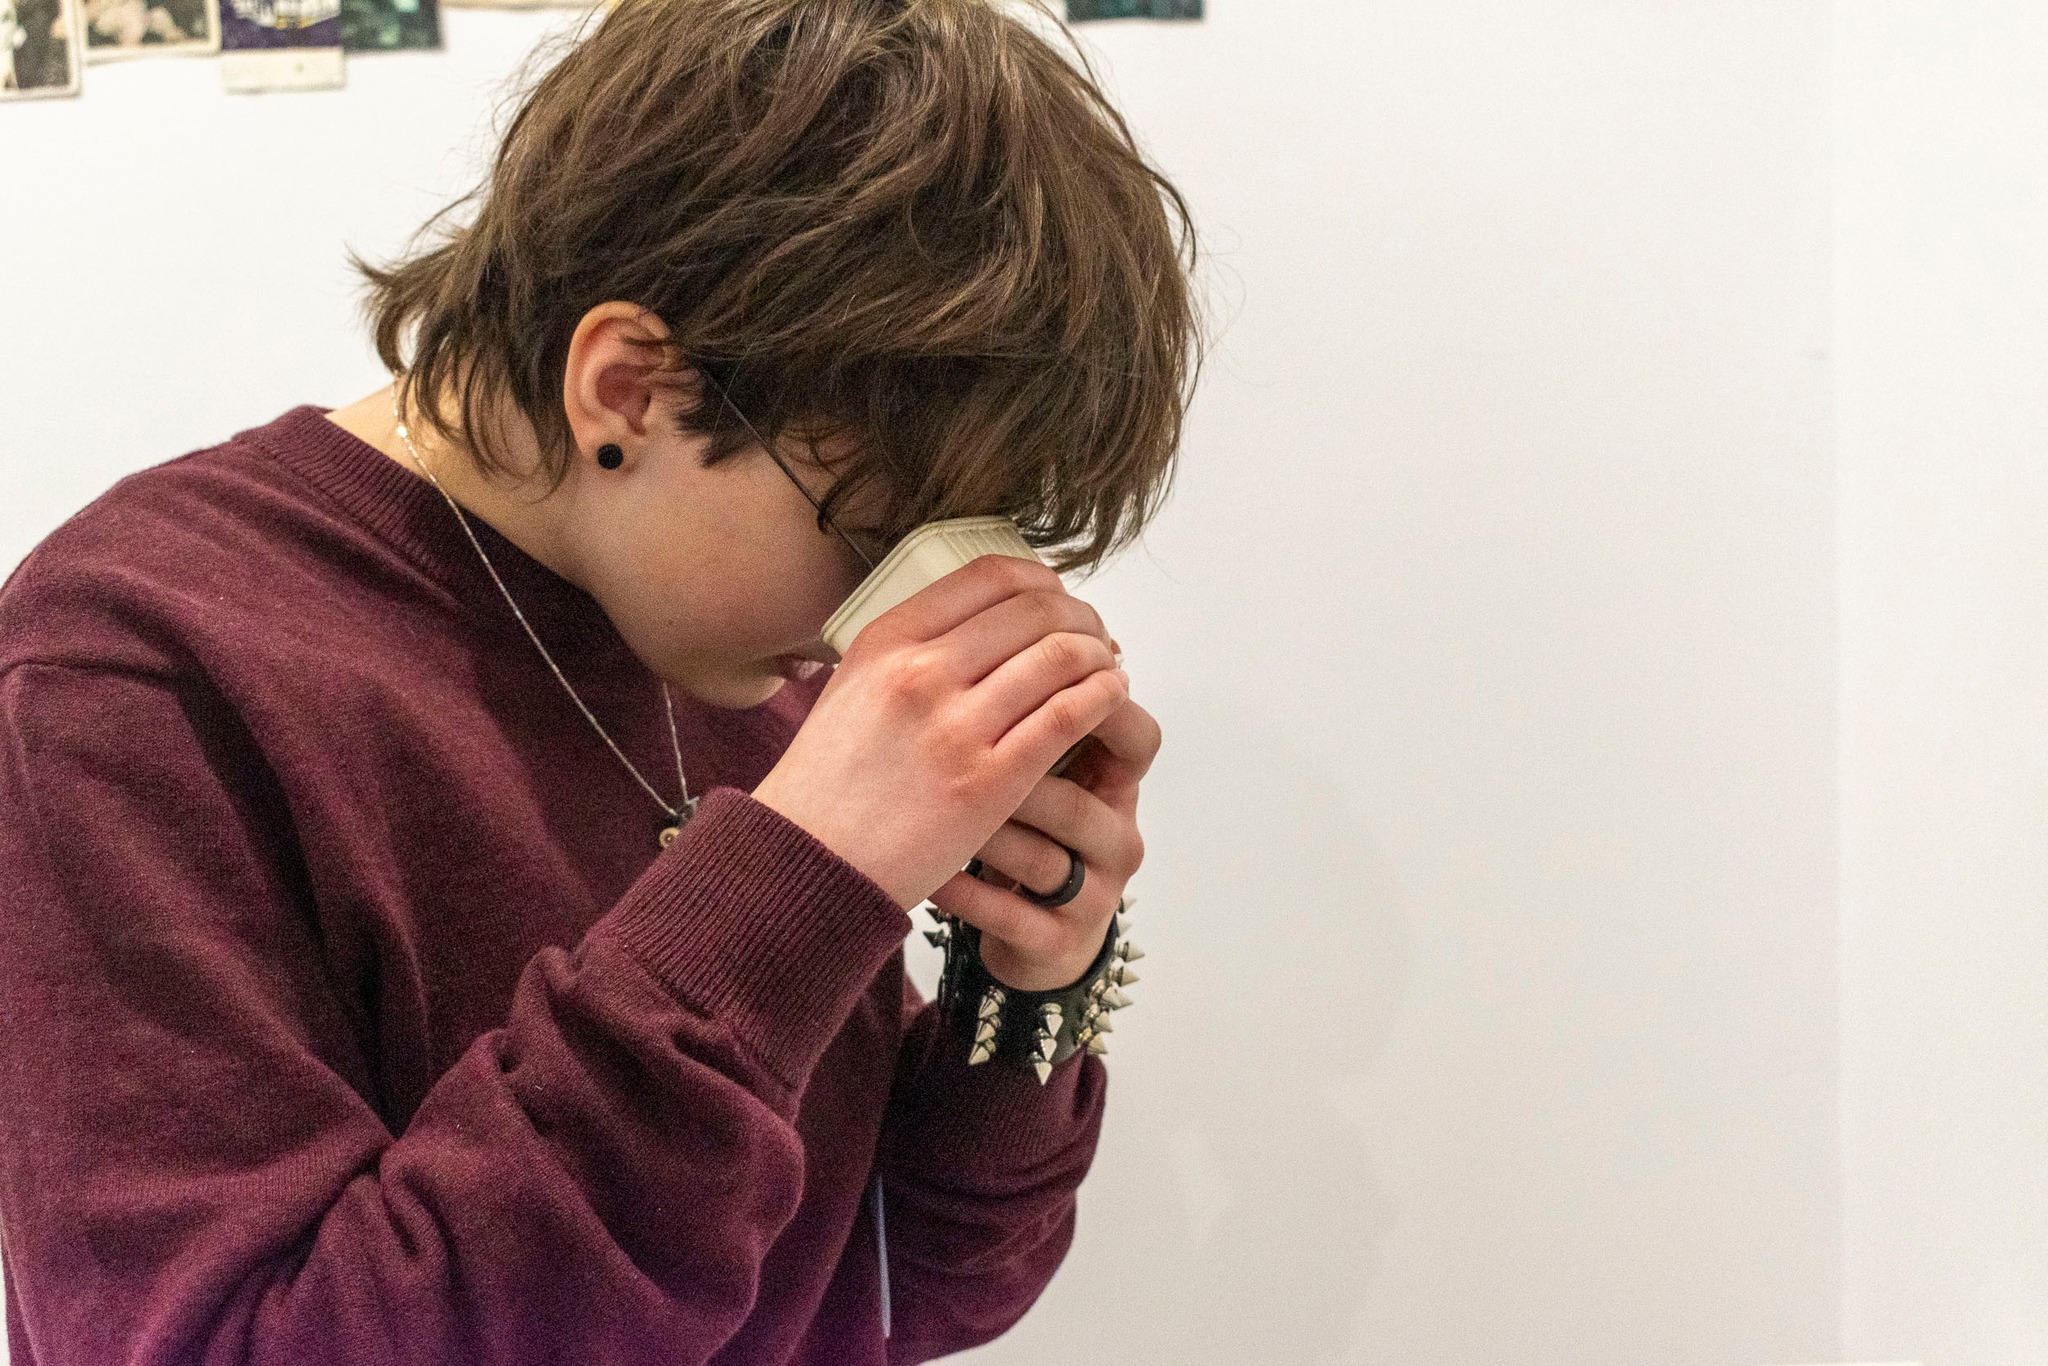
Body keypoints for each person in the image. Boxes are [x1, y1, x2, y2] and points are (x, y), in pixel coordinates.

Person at [0, 0, 1200, 1361]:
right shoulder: (139, 662)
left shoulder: (719, 636)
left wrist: (1026, 979)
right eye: (873, 537)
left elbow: (890, 1289)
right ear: (626, 389)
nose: (877, 622)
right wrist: (781, 887)